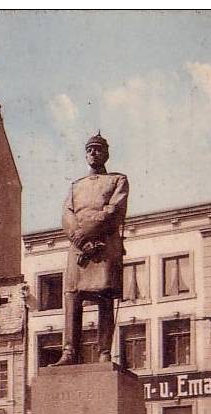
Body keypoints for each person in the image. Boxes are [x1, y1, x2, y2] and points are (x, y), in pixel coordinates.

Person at [55, 132, 129, 366]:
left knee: (104, 297)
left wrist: (86, 232)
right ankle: (69, 352)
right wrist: (79, 238)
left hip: (104, 245)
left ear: (106, 153)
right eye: (89, 149)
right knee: (72, 296)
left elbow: (114, 211)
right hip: (78, 248)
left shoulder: (118, 180)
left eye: (98, 149)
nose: (94, 152)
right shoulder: (76, 185)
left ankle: (104, 351)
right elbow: (67, 215)